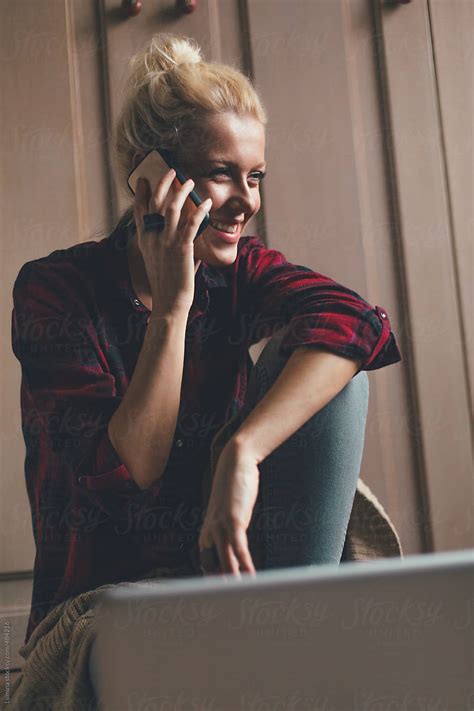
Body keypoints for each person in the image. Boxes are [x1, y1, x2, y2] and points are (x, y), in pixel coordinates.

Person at [11, 33, 402, 645]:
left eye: (255, 176)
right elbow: (131, 468)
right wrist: (173, 306)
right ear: (152, 180)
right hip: (103, 597)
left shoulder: (240, 272)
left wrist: (241, 452)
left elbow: (359, 322)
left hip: (230, 577)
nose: (247, 201)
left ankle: (300, 625)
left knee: (334, 372)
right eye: (222, 174)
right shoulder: (55, 290)